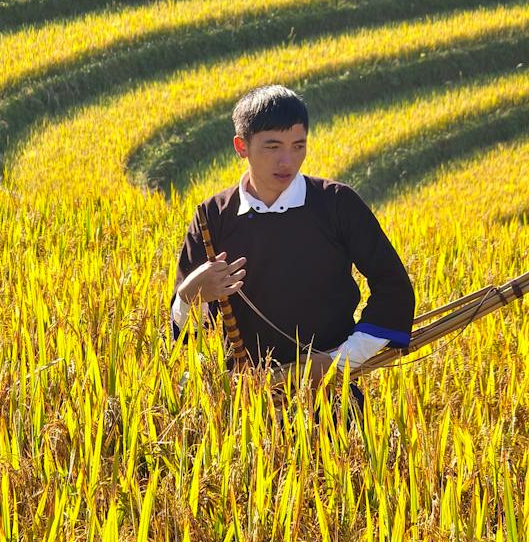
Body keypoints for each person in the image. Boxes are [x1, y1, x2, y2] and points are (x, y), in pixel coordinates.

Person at [171, 84, 415, 411]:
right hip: (243, 409)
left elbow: (393, 289)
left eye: (298, 146)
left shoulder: (337, 204)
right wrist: (189, 295)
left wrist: (339, 361)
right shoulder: (212, 218)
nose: (287, 161)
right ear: (241, 146)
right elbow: (188, 337)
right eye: (273, 147)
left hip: (332, 399)